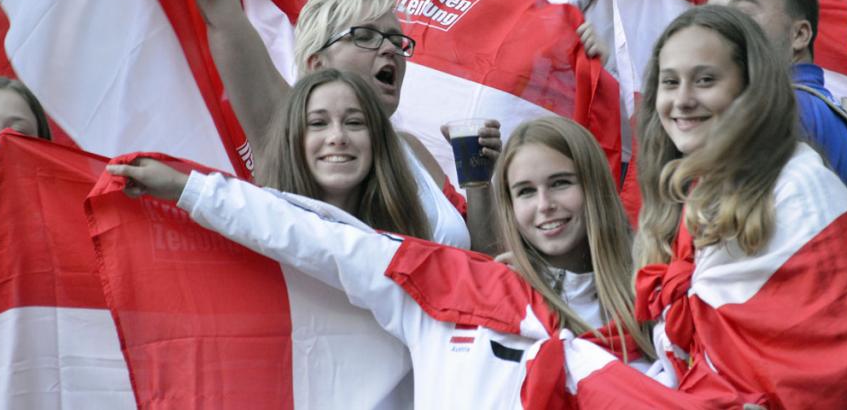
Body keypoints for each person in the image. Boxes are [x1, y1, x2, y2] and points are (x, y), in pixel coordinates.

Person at [107, 115, 653, 407]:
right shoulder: (451, 286)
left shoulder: (655, 311)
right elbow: (316, 239)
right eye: (525, 192)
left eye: (561, 184)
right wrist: (189, 190)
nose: (545, 206)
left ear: (596, 190)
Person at [631, 4, 847, 406]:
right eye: (670, 82)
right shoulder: (687, 196)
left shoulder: (802, 187)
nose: (683, 100)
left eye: (705, 80)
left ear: (751, 89)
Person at [192, 0, 499, 253]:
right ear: (317, 63)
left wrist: (479, 182)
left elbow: (482, 262)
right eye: (366, 36)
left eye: (396, 40)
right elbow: (224, 19)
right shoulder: (290, 131)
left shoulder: (411, 148)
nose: (390, 49)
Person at [708, 0, 847, 194]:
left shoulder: (784, 110)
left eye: (741, 14)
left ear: (799, 35)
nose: (721, 30)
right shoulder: (812, 105)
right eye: (713, 18)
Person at [256, 68, 430, 239]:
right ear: (291, 139)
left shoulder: (411, 243)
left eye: (354, 122)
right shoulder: (259, 235)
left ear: (378, 139)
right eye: (317, 123)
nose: (338, 137)